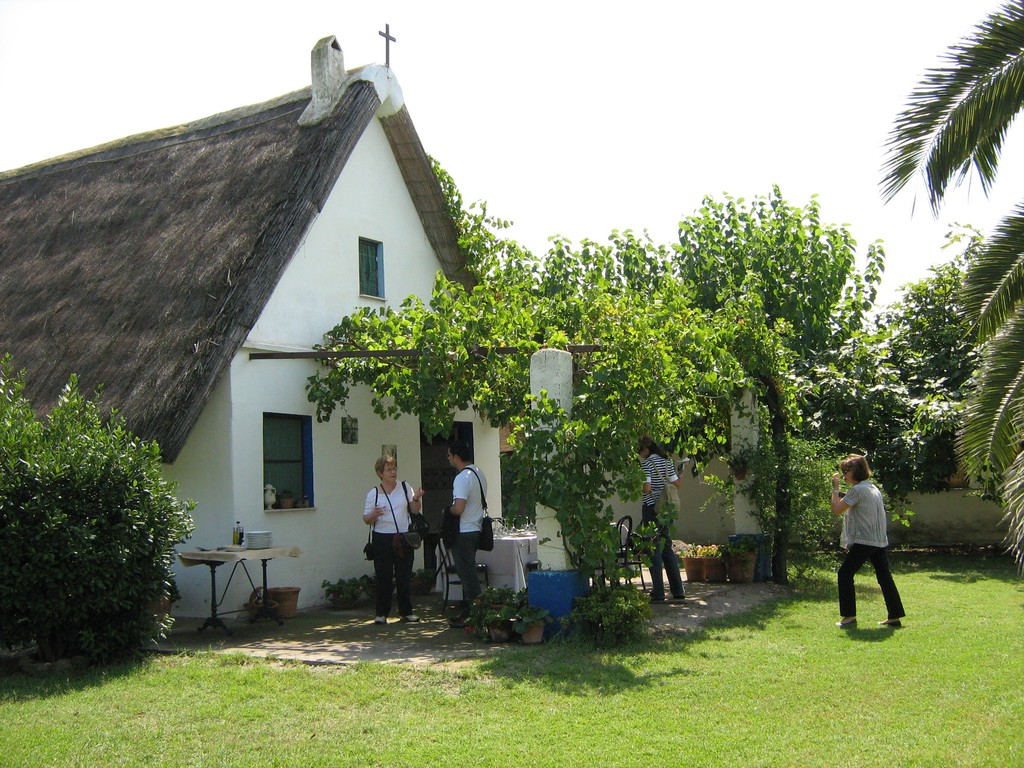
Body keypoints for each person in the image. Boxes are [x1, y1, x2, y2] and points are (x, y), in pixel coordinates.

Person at [831, 453, 906, 628]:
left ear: (855, 471)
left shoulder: (858, 490)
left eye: (846, 471)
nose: (843, 475)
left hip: (865, 541)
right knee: (884, 577)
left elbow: (836, 509)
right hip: (878, 540)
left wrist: (835, 489)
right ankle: (894, 616)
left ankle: (849, 617)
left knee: (844, 574)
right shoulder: (872, 488)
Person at [362, 453, 425, 625]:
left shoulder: (405, 487)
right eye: (389, 469)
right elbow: (366, 519)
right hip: (382, 538)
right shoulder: (373, 493)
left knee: (404, 576)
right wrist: (373, 514)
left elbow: (414, 509)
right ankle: (381, 613)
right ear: (380, 473)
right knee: (384, 576)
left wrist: (417, 497)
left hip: (403, 537)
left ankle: (406, 612)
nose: (393, 472)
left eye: (394, 468)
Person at [638, 435, 685, 601]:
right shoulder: (667, 461)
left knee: (653, 549)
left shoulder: (647, 464)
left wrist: (639, 483)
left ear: (646, 449)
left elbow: (647, 488)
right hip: (667, 509)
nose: (640, 454)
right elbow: (676, 483)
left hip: (652, 508)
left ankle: (658, 591)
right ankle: (678, 589)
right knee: (667, 547)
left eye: (640, 451)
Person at [445, 440, 486, 628]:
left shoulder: (461, 478)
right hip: (476, 528)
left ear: (456, 457)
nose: (448, 459)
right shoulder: (479, 473)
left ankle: (476, 614)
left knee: (467, 575)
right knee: (470, 572)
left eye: (449, 455)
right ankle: (472, 611)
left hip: (463, 531)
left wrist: (448, 510)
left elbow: (459, 508)